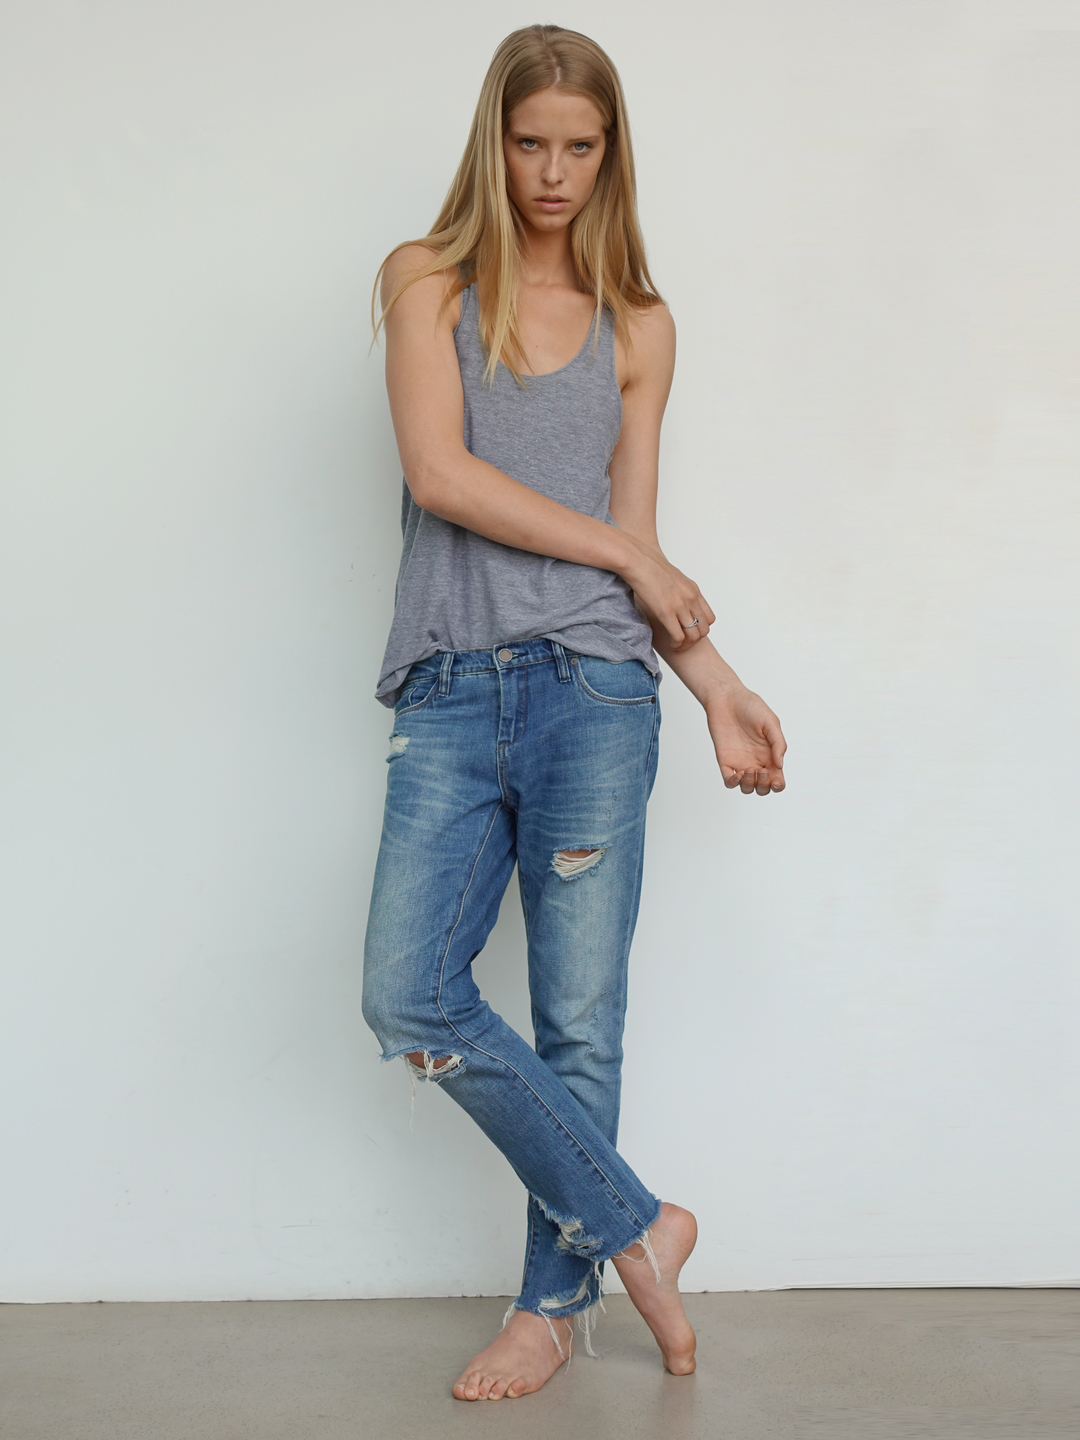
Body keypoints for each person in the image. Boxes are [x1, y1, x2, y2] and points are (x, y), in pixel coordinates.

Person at [362, 24, 786, 1402]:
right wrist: (626, 559)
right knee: (409, 993)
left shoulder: (638, 325)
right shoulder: (426, 281)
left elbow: (638, 541)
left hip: (597, 693)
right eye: (529, 142)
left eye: (580, 147)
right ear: (494, 143)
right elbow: (440, 474)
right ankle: (639, 1224)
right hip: (448, 687)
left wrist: (715, 684)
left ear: (612, 155)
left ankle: (552, 1307)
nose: (552, 172)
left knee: (579, 1022)